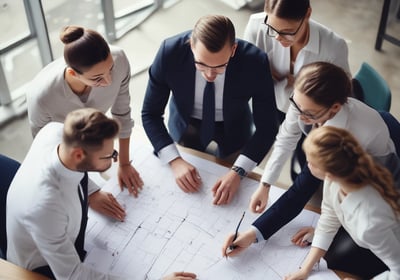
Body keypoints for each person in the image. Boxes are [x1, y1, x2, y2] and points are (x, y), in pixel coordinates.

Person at [222, 62, 400, 278]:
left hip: (384, 178)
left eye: (307, 113)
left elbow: (301, 191)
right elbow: (286, 138)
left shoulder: (346, 145)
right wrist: (265, 184)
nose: (298, 116)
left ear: (334, 108)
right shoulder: (304, 105)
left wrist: (255, 232)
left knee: (338, 258)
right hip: (353, 187)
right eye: (296, 106)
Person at [6, 108, 196, 280]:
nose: (114, 160)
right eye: (108, 156)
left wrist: (92, 191)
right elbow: (72, 275)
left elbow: (70, 172)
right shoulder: (45, 207)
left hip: (66, 230)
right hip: (43, 266)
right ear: (79, 155)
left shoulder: (56, 131)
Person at [141, 15, 278, 205]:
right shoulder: (169, 52)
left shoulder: (255, 61)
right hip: (185, 125)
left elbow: (268, 127)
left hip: (235, 127)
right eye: (201, 64)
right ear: (191, 46)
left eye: (220, 66)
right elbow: (150, 114)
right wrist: (175, 160)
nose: (210, 74)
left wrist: (238, 171)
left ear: (233, 50)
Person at [26, 25, 143, 202]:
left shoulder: (119, 59)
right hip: (67, 151)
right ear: (73, 73)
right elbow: (47, 150)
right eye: (97, 78)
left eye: (110, 70)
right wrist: (90, 193)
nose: (109, 81)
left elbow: (122, 114)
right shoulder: (41, 97)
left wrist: (124, 163)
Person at [244, 0, 350, 180]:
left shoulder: (334, 47)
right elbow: (246, 68)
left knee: (306, 160)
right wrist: (264, 72)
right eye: (273, 29)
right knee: (266, 139)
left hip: (310, 115)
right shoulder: (257, 25)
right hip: (270, 101)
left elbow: (342, 90)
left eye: (287, 32)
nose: (278, 38)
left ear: (308, 14)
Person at [285, 126, 400, 280]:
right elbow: (330, 215)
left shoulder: (370, 223)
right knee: (331, 257)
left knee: (339, 261)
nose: (306, 163)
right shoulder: (335, 180)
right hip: (371, 236)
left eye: (311, 162)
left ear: (329, 172)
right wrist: (305, 269)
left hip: (387, 251)